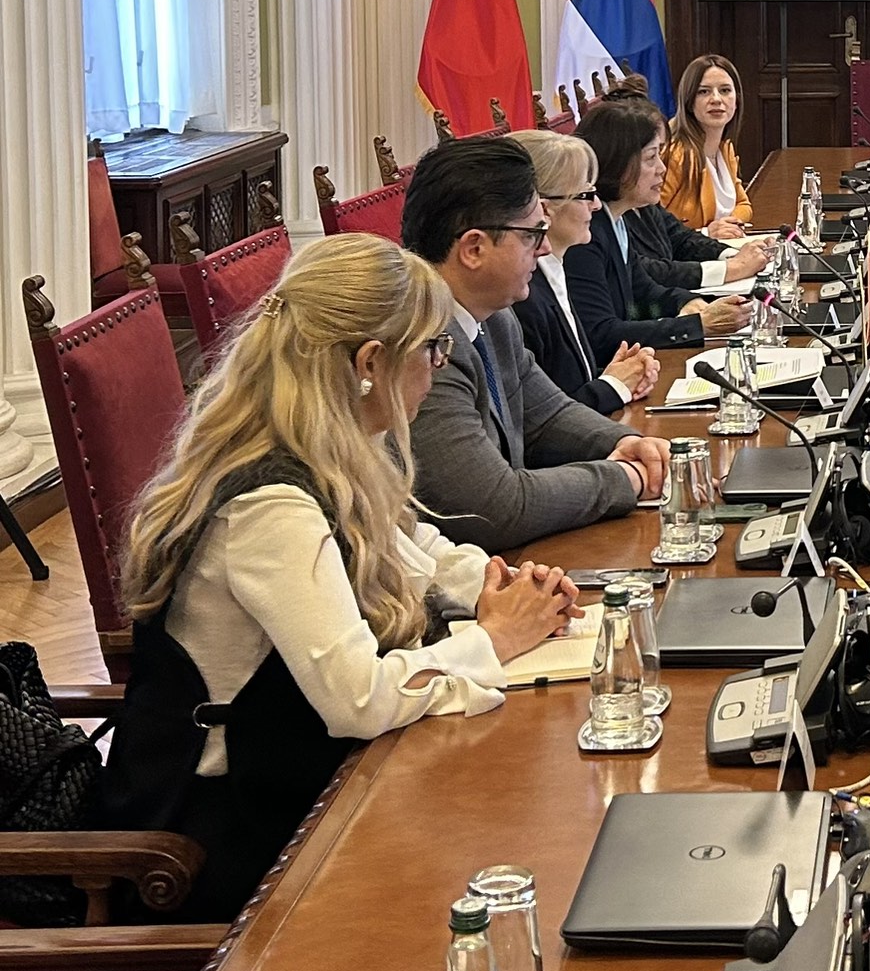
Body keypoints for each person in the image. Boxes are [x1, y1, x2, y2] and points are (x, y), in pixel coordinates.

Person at [100, 234, 582, 921]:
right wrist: (496, 640)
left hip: (305, 780)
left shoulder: (328, 439)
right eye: (432, 349)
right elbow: (358, 699)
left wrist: (493, 586)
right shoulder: (270, 505)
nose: (440, 364)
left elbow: (409, 544)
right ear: (369, 362)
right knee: (516, 853)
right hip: (232, 841)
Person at [401, 136, 670, 550]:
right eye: (532, 234)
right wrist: (626, 478)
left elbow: (546, 414)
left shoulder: (494, 316)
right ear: (474, 248)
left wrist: (623, 442)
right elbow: (493, 508)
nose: (544, 247)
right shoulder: (422, 349)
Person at [566, 99, 754, 358]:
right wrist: (697, 325)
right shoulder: (585, 235)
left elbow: (644, 290)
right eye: (651, 158)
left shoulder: (615, 221)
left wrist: (687, 302)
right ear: (618, 164)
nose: (662, 169)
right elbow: (600, 334)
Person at [508, 129, 660, 413]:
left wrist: (618, 375)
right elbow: (540, 419)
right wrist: (612, 386)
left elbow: (569, 382)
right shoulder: (524, 297)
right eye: (586, 194)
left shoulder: (553, 271)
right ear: (545, 209)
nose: (597, 204)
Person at [661, 53, 754, 236]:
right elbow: (647, 225)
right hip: (683, 252)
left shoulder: (725, 149)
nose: (716, 99)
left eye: (725, 90)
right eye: (704, 91)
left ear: (737, 100)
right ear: (689, 101)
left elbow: (744, 205)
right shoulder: (676, 155)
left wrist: (728, 224)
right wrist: (706, 233)